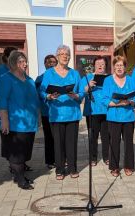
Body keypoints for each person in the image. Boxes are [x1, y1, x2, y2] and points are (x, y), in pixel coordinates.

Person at [0, 51, 40, 190]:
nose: (25, 64)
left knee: (25, 153)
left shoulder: (30, 80)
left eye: (25, 61)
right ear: (13, 63)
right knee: (16, 155)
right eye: (21, 61)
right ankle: (20, 180)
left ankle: (19, 174)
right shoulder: (5, 78)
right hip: (13, 124)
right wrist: (4, 121)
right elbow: (1, 101)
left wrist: (38, 118)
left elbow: (35, 101)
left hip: (28, 123)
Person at [40, 45, 82, 180]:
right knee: (58, 144)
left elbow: (81, 93)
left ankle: (72, 168)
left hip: (72, 113)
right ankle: (59, 169)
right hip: (56, 114)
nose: (65, 56)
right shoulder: (48, 73)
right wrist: (49, 96)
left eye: (67, 54)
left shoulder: (75, 73)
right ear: (57, 56)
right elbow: (41, 91)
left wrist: (76, 96)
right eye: (62, 54)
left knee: (71, 143)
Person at [102, 56, 135, 177]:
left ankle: (128, 166)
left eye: (121, 65)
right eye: (117, 65)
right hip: (113, 117)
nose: (119, 68)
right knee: (114, 142)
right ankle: (114, 167)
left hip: (128, 117)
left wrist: (131, 102)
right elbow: (104, 99)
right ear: (114, 67)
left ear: (125, 67)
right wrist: (119, 103)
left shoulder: (131, 80)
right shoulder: (107, 80)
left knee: (128, 142)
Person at [79, 56, 110, 166]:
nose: (100, 66)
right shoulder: (87, 77)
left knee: (106, 136)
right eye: (98, 64)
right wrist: (88, 86)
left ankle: (107, 157)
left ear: (105, 65)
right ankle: (93, 158)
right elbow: (81, 93)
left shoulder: (110, 78)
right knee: (93, 136)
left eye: (102, 63)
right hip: (92, 111)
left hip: (107, 110)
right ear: (94, 66)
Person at [35, 54, 57, 169]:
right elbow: (38, 94)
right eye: (49, 62)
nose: (52, 64)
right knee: (49, 138)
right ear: (45, 64)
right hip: (46, 113)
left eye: (54, 62)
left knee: (59, 138)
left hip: (59, 113)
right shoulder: (39, 79)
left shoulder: (59, 77)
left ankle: (60, 159)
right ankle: (50, 161)